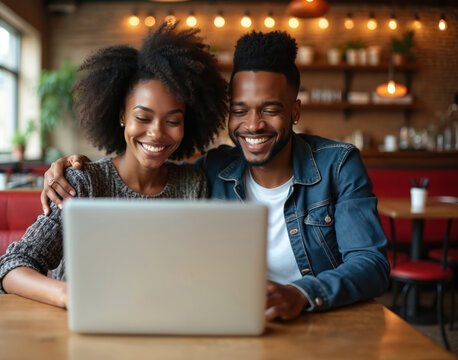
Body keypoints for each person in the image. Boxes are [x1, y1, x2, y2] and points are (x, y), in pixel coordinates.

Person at [41, 30, 391, 320]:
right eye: (240, 111)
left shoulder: (338, 165)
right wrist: (74, 167)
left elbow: (372, 264)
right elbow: (148, 177)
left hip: (319, 320)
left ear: (294, 111)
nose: (253, 125)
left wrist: (301, 294)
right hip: (231, 319)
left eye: (270, 110)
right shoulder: (212, 171)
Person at [0, 22, 228, 308]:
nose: (157, 132)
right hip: (81, 326)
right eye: (143, 117)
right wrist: (67, 294)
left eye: (173, 120)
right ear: (121, 116)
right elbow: (11, 266)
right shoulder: (83, 182)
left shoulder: (194, 183)